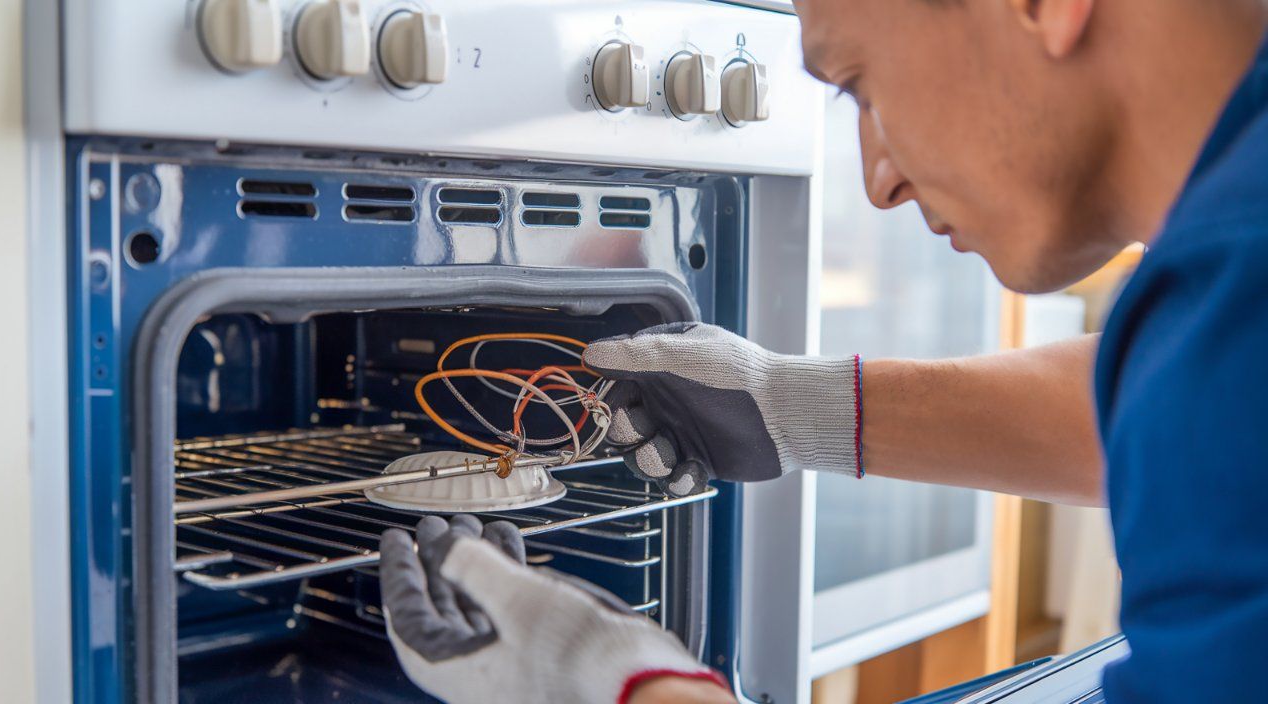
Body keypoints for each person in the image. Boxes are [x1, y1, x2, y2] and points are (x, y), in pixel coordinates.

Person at [379, 0, 1268, 701]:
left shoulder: (1232, 307)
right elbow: (1193, 428)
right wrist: (788, 404)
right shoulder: (1225, 290)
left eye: (861, 85)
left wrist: (630, 689)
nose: (877, 179)